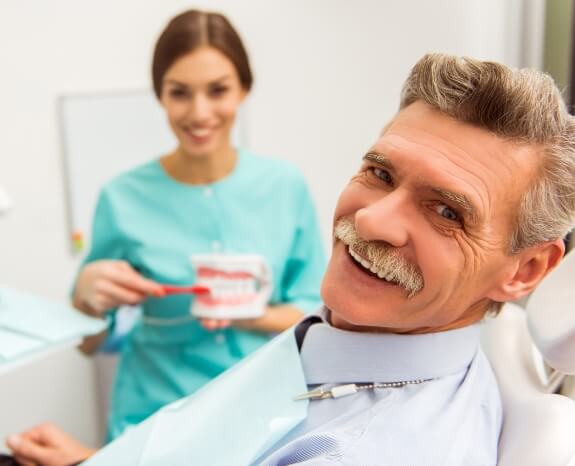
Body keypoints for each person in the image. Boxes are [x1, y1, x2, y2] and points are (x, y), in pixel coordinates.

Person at [7, 53, 575, 465]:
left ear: (524, 270)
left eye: (447, 212)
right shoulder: (355, 335)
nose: (372, 220)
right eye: (380, 173)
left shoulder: (352, 446)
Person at [70, 9, 326, 441]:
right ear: (160, 96)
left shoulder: (284, 186)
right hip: (153, 420)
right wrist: (85, 300)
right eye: (180, 93)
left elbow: (318, 315)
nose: (199, 112)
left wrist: (249, 314)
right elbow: (89, 343)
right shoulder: (121, 197)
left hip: (264, 416)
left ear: (244, 88)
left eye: (218, 90)